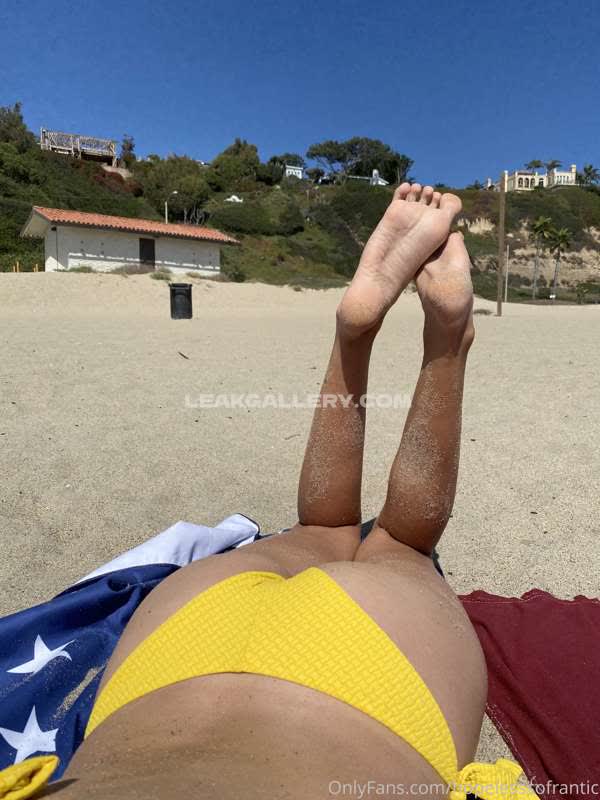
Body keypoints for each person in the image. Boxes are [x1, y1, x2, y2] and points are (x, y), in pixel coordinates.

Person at [39, 184, 530, 799]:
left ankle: (414, 337)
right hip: (201, 644)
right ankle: (407, 337)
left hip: (211, 652)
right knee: (361, 538)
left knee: (376, 539)